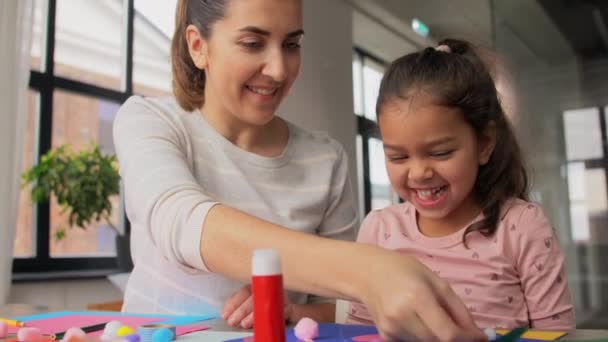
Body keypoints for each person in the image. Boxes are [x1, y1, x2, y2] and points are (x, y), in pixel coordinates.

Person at [113, 0, 486, 339]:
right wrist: (368, 270)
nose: (278, 70)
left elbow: (338, 306)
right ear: (198, 46)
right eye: (253, 43)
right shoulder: (148, 120)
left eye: (291, 45)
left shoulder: (325, 160)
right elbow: (180, 220)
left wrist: (298, 307)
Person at [346, 38, 575, 330]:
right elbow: (360, 332)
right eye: (398, 156)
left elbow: (556, 335)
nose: (418, 173)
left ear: (484, 144)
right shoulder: (379, 230)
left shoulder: (521, 227)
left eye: (440, 153)